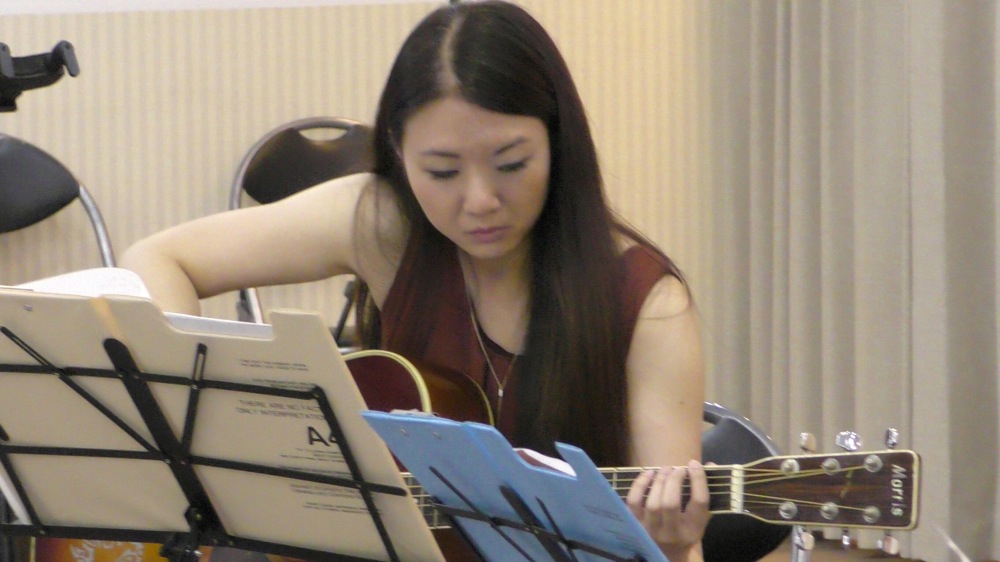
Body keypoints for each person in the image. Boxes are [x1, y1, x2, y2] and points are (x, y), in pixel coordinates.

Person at [121, 1, 710, 559]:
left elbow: (676, 542)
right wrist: (208, 426)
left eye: (511, 164)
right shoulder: (385, 224)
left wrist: (674, 545)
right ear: (400, 155)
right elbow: (158, 258)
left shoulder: (646, 304)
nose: (479, 201)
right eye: (442, 171)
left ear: (559, 144)